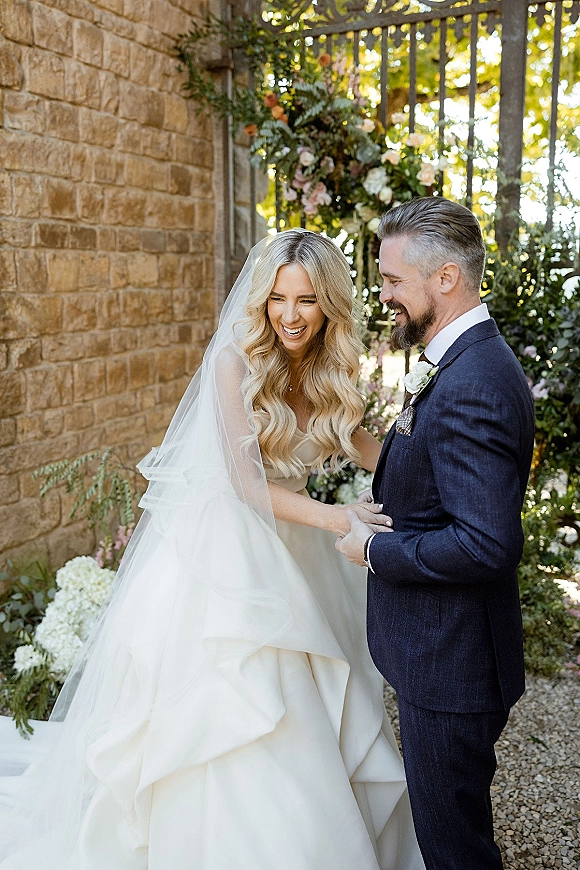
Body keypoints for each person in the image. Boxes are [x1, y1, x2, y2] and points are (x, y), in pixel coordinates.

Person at [0, 230, 424, 870]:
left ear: (328, 305)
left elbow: (366, 445)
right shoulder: (235, 363)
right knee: (239, 700)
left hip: (299, 551)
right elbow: (247, 486)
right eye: (278, 299)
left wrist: (434, 475)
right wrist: (341, 518)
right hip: (228, 556)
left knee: (321, 699)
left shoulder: (326, 371)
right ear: (260, 301)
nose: (289, 315)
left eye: (306, 300)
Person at [337, 197, 535, 870]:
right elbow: (449, 485)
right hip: (446, 656)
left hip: (453, 667)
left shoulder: (473, 380)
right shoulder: (460, 361)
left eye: (394, 281)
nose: (385, 294)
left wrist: (373, 549)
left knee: (455, 851)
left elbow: (486, 543)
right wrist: (392, 495)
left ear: (445, 278)